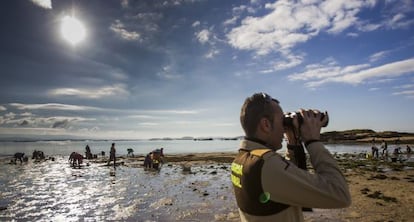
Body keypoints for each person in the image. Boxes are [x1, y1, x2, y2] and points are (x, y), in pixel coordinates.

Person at [231, 92, 351, 221]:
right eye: (282, 122)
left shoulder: (243, 158)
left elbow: (286, 179)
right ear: (266, 125)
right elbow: (340, 194)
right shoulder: (267, 165)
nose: (283, 129)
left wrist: (293, 143)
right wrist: (312, 141)